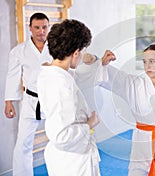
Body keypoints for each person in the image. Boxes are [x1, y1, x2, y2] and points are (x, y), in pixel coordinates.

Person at [87, 44, 155, 176]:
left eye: (152, 61)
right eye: (144, 62)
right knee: (137, 171)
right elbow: (114, 76)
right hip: (143, 139)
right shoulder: (134, 84)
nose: (147, 66)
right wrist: (96, 61)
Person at [36, 19, 115, 175]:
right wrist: (89, 125)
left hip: (67, 158)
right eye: (83, 51)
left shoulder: (51, 73)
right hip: (74, 162)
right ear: (76, 53)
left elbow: (79, 78)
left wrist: (101, 63)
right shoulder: (61, 85)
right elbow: (62, 136)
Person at [4, 12, 52, 175]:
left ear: (48, 27)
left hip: (53, 99)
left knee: (60, 139)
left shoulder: (56, 48)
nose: (41, 31)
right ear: (30, 28)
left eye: (44, 27)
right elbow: (12, 76)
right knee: (23, 144)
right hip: (31, 101)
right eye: (37, 27)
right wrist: (9, 101)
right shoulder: (19, 51)